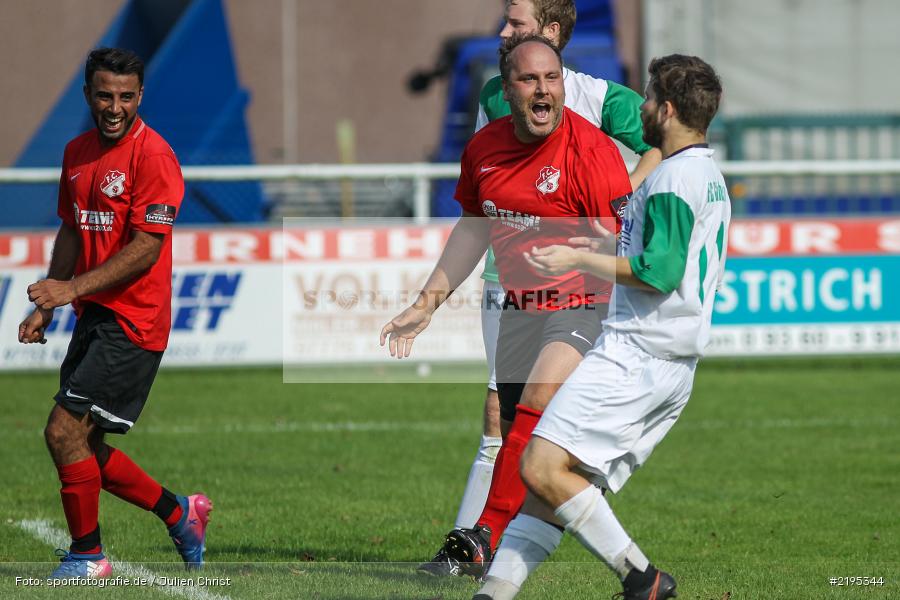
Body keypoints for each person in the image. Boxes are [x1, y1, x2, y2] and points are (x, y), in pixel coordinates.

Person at [472, 53, 729, 600]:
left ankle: (643, 579)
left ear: (668, 108)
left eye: (649, 97)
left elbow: (657, 274)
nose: (640, 106)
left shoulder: (672, 179)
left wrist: (577, 258)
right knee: (555, 490)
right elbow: (659, 255)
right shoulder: (703, 174)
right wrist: (596, 243)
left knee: (539, 466)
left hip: (637, 356)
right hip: (668, 365)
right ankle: (492, 594)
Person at [421, 0, 661, 578]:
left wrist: (615, 201)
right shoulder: (494, 98)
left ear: (552, 33)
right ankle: (485, 541)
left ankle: (477, 541)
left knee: (526, 412)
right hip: (509, 278)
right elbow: (486, 185)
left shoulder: (602, 101)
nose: (502, 30)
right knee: (505, 419)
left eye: (515, 21)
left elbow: (664, 145)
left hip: (579, 283)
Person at [17, 47, 211, 579]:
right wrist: (49, 306)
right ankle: (181, 514)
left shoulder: (154, 157)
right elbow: (72, 229)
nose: (115, 106)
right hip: (92, 315)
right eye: (105, 94)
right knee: (81, 442)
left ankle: (87, 555)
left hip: (135, 320)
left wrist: (70, 288)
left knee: (62, 432)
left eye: (126, 96)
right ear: (88, 95)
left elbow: (147, 247)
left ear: (140, 96)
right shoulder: (77, 151)